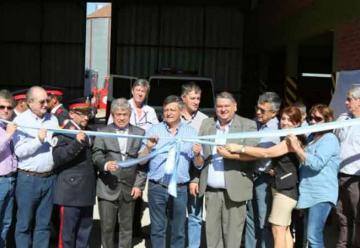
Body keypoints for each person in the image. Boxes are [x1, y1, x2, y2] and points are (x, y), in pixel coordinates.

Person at [220, 106, 304, 248]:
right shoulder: (286, 137)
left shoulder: (291, 140)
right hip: (282, 189)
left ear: (297, 124)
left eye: (290, 120)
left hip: (286, 191)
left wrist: (239, 148)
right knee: (285, 230)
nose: (284, 123)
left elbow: (267, 153)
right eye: (283, 119)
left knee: (277, 230)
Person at [194, 91, 258, 248]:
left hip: (234, 192)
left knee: (232, 239)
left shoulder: (248, 125)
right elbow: (201, 159)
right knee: (212, 237)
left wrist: (231, 155)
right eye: (219, 106)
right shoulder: (207, 124)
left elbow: (254, 154)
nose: (223, 109)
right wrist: (196, 157)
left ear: (235, 107)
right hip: (211, 191)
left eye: (226, 106)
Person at [139, 95, 203, 248]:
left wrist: (198, 154)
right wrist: (148, 147)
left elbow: (199, 165)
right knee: (157, 229)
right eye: (166, 110)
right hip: (157, 187)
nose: (168, 113)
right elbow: (141, 160)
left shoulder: (191, 133)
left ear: (180, 111)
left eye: (172, 109)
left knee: (178, 230)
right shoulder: (154, 130)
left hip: (180, 188)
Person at [107, 79, 159, 237]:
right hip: (123, 155)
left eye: (143, 90)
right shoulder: (122, 106)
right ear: (132, 91)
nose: (140, 93)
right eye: (137, 89)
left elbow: (156, 130)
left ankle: (135, 228)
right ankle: (116, 229)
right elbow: (110, 129)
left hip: (143, 155)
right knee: (118, 193)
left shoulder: (150, 111)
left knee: (137, 191)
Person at [92, 98, 146, 248]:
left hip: (129, 188)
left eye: (125, 114)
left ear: (130, 114)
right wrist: (105, 164)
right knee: (107, 228)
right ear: (112, 115)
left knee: (126, 229)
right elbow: (96, 154)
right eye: (118, 114)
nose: (121, 118)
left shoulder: (139, 133)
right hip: (107, 188)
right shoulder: (103, 132)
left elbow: (143, 164)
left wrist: (139, 186)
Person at [287, 104, 340, 247]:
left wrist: (298, 149)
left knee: (313, 236)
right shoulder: (310, 137)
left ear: (328, 121)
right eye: (311, 118)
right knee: (306, 237)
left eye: (318, 119)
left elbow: (316, 164)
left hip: (321, 194)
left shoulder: (330, 139)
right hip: (307, 192)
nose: (313, 122)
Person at [13, 86, 59, 248]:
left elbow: (55, 144)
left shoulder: (52, 120)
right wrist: (38, 141)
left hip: (49, 178)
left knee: (44, 224)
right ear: (30, 102)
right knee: (24, 224)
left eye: (47, 100)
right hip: (28, 180)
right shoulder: (20, 122)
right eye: (41, 101)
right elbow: (19, 151)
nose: (46, 104)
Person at [52, 98, 96, 248]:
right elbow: (58, 158)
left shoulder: (89, 130)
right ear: (71, 113)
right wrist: (76, 143)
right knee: (67, 236)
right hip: (70, 192)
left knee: (84, 234)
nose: (86, 117)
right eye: (82, 113)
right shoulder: (63, 131)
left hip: (86, 191)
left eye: (88, 113)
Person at [246, 92, 281, 248]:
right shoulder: (253, 124)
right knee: (250, 219)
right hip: (251, 176)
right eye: (257, 108)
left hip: (265, 179)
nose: (258, 112)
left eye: (263, 110)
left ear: (274, 113)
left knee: (264, 221)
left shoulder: (278, 129)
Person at [180, 82, 208, 248]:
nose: (196, 101)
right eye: (193, 98)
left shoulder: (204, 121)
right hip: (176, 173)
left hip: (196, 173)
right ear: (183, 98)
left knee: (195, 215)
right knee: (175, 215)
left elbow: (205, 152)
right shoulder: (174, 117)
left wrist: (196, 179)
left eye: (198, 98)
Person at [335, 85, 360, 248]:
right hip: (339, 174)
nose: (346, 102)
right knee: (342, 215)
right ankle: (342, 245)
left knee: (359, 216)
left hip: (357, 178)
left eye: (349, 99)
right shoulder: (342, 119)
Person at [0, 90, 17, 247]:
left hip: (12, 179)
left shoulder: (9, 125)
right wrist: (8, 136)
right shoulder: (9, 130)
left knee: (7, 222)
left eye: (9, 107)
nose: (6, 110)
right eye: (1, 107)